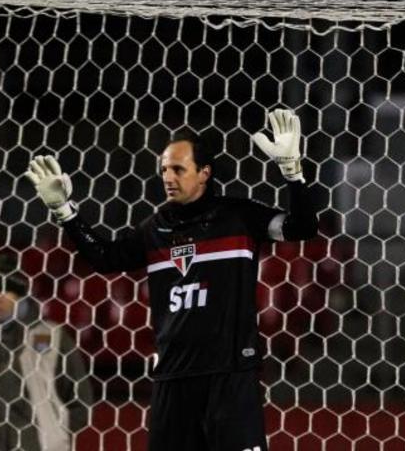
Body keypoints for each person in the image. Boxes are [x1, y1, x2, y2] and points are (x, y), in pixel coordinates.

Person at [28, 108, 318, 451]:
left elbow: (303, 227)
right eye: (164, 169)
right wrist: (65, 212)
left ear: (204, 173)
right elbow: (104, 258)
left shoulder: (240, 217)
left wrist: (292, 172)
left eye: (178, 169)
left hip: (231, 375)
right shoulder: (156, 228)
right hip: (173, 379)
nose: (168, 176)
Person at [0, 256, 93, 451]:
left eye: (4, 290)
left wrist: (55, 433)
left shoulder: (52, 336)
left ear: (20, 293)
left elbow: (80, 399)